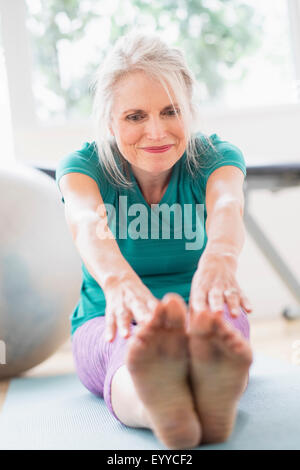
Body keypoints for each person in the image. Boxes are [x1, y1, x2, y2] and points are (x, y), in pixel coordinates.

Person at [55, 30, 253, 450]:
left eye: (170, 111)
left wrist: (220, 256)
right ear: (110, 121)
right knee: (128, 349)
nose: (157, 132)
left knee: (220, 327)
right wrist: (116, 282)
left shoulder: (214, 157)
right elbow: (86, 220)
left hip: (198, 312)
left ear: (189, 111)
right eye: (135, 116)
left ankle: (207, 393)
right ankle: (160, 408)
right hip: (110, 322)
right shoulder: (83, 165)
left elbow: (226, 204)